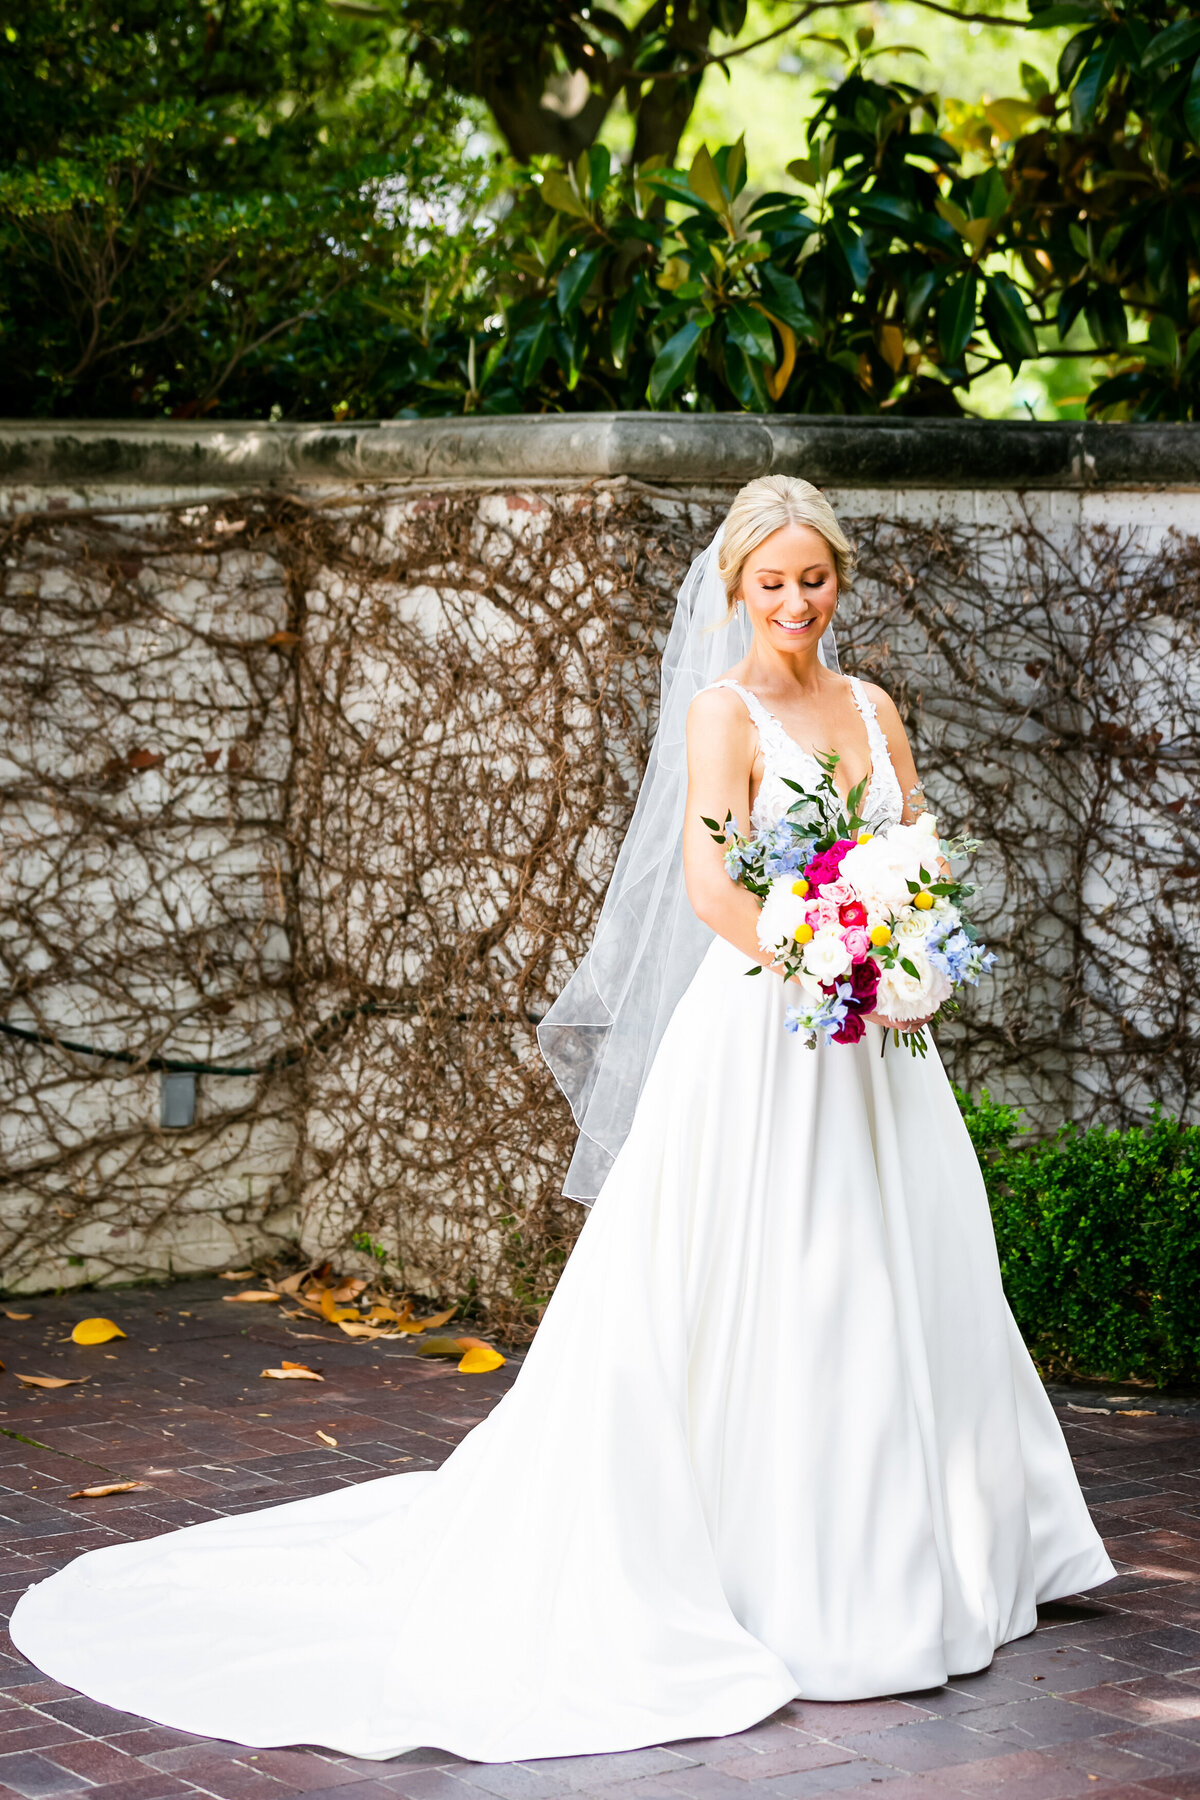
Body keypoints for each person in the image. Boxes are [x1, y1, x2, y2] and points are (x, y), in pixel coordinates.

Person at [9, 476, 1114, 1765]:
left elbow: (911, 848)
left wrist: (902, 944)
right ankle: (788, 1582)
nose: (796, 603)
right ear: (735, 588)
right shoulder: (724, 711)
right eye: (772, 583)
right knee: (777, 1278)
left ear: (839, 581)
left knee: (904, 1271)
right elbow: (711, 882)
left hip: (878, 1048)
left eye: (814, 579)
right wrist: (834, 962)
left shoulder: (874, 706)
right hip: (771, 1027)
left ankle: (946, 1554)